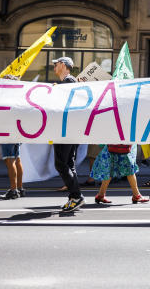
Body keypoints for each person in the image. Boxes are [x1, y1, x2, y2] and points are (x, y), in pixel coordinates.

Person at [51, 56, 84, 212]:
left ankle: (76, 196)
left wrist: (56, 91)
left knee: (60, 163)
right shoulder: (67, 82)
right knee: (69, 164)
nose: (54, 67)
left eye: (56, 64)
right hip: (70, 130)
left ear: (63, 65)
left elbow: (68, 103)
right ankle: (74, 197)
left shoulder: (69, 81)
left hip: (66, 130)